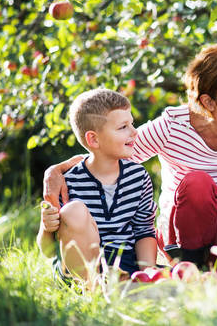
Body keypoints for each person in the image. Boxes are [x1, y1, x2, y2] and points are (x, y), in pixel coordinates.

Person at [43, 44, 217, 267]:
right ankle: (193, 270)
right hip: (184, 237)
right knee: (198, 183)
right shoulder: (172, 127)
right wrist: (57, 170)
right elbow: (112, 152)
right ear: (208, 102)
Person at [36, 89, 157, 285]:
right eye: (123, 127)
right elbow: (48, 250)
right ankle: (90, 287)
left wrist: (148, 272)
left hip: (124, 264)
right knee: (73, 210)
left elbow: (143, 230)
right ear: (93, 139)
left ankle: (120, 284)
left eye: (132, 123)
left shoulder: (138, 176)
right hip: (78, 266)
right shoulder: (68, 181)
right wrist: (46, 227)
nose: (134, 132)